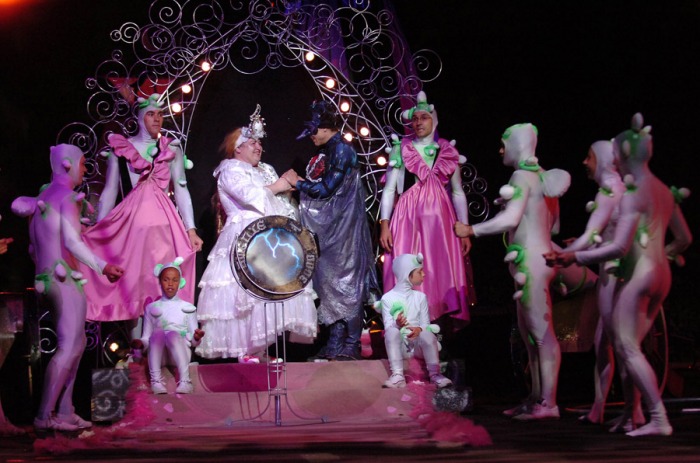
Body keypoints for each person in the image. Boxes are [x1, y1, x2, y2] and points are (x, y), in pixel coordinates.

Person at [545, 113, 692, 436]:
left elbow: (619, 247)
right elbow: (684, 239)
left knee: (625, 347)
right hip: (661, 276)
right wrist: (663, 255)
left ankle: (657, 418)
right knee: (628, 347)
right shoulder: (662, 190)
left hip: (636, 276)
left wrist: (574, 256)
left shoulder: (630, 194)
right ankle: (632, 413)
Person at [454, 123, 570, 420]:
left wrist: (471, 229)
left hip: (531, 263)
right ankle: (535, 398)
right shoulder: (543, 177)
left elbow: (510, 219)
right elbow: (555, 226)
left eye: (504, 144)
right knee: (530, 337)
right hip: (536, 261)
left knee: (541, 335)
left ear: (516, 146)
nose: (500, 150)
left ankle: (549, 403)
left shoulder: (521, 177)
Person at [11, 144, 124, 432]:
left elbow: (35, 248)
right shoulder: (67, 198)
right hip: (63, 280)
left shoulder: (43, 197)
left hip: (45, 278)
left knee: (77, 343)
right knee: (69, 346)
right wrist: (103, 266)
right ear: (67, 164)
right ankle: (45, 415)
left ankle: (64, 410)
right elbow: (73, 242)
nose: (85, 169)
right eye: (83, 163)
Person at [196, 105, 317, 362]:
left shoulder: (262, 170)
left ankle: (259, 350)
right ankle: (246, 351)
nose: (258, 147)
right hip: (244, 235)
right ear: (237, 148)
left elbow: (276, 205)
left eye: (260, 142)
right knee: (244, 295)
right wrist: (279, 185)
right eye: (252, 142)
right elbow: (250, 196)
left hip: (265, 235)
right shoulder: (230, 169)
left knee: (265, 293)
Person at [79, 94, 200, 340]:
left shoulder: (171, 149)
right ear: (140, 118)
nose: (157, 119)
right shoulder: (121, 149)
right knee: (134, 288)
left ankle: (164, 347)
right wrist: (99, 228)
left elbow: (181, 188)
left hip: (164, 229)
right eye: (151, 114)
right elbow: (110, 191)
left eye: (160, 114)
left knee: (161, 285)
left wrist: (191, 229)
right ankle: (138, 352)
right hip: (132, 228)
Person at [559, 140, 642, 429]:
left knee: (621, 345)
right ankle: (603, 408)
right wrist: (582, 246)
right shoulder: (616, 191)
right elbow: (606, 235)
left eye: (590, 156)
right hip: (612, 274)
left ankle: (636, 412)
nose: (585, 162)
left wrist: (572, 254)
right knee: (604, 343)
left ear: (604, 160)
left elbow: (607, 239)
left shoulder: (609, 191)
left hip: (615, 276)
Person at [380, 91, 474, 330]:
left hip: (441, 224)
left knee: (439, 270)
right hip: (408, 220)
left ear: (434, 120)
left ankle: (437, 330)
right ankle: (410, 328)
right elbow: (389, 190)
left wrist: (464, 228)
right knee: (409, 267)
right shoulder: (402, 149)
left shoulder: (447, 152)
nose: (419, 122)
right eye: (415, 119)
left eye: (424, 117)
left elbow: (458, 192)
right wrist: (384, 224)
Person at [295, 100, 379, 361]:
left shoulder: (342, 150)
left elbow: (326, 189)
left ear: (325, 128)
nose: (311, 136)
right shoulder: (329, 150)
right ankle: (335, 342)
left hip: (346, 229)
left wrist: (297, 183)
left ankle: (351, 344)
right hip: (333, 226)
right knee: (331, 283)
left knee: (348, 282)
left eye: (313, 131)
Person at [131, 258, 204, 394]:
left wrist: (196, 337)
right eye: (166, 279)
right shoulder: (151, 308)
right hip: (160, 356)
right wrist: (140, 344)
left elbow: (193, 343)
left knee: (172, 335)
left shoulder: (188, 308)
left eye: (174, 280)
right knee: (158, 333)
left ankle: (185, 381)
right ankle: (156, 382)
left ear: (180, 282)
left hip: (180, 353)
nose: (170, 284)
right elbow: (147, 338)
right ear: (160, 281)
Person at [380, 253, 452, 389]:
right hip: (401, 347)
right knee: (391, 333)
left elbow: (425, 324)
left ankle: (435, 375)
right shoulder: (387, 298)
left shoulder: (420, 297)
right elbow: (388, 327)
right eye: (419, 271)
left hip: (418, 347)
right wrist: (398, 324)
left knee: (427, 334)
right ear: (407, 274)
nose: (423, 274)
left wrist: (419, 329)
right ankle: (397, 375)